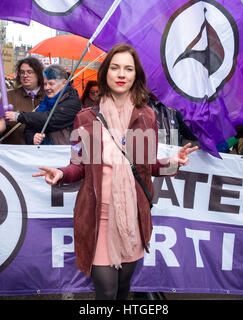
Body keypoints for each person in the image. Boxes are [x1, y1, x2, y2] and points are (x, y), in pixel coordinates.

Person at [32, 43, 198, 300]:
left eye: (128, 69)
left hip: (132, 217)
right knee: (106, 292)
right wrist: (62, 174)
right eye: (115, 68)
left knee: (122, 290)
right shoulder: (85, 119)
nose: (122, 74)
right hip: (97, 216)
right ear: (105, 74)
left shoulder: (147, 118)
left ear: (136, 75)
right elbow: (79, 166)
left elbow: (146, 166)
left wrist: (172, 162)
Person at [13, 64, 81, 145]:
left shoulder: (72, 101)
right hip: (44, 154)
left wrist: (19, 116)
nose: (46, 88)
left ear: (64, 83)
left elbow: (50, 119)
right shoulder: (45, 103)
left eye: (51, 84)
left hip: (65, 154)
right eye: (45, 84)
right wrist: (33, 137)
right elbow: (30, 127)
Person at [2, 57, 45, 144]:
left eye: (29, 72)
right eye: (22, 72)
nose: (25, 75)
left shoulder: (48, 97)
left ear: (38, 74)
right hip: (14, 151)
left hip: (42, 153)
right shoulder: (8, 96)